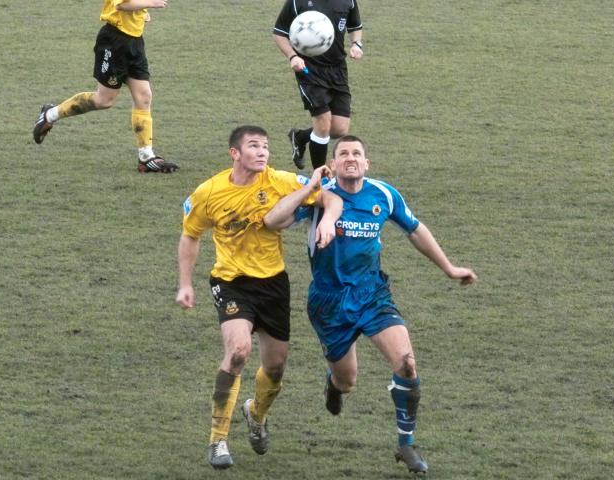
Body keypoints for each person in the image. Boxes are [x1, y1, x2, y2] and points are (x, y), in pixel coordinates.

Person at [264, 135, 477, 475]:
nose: (351, 158)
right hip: (329, 302)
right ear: (333, 164)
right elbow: (273, 221)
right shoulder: (320, 195)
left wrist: (450, 268)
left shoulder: (383, 194)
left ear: (367, 163)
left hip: (372, 294)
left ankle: (405, 444)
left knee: (406, 364)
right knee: (347, 380)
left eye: (357, 153)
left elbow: (416, 230)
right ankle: (334, 385)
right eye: (343, 154)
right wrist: (308, 189)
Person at [176, 125, 342, 470]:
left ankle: (256, 413)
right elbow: (190, 236)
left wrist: (327, 218)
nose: (263, 152)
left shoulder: (279, 181)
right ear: (234, 153)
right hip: (231, 281)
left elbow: (329, 195)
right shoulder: (210, 192)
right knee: (238, 351)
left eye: (265, 146)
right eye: (254, 146)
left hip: (273, 284)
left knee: (276, 367)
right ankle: (218, 439)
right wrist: (185, 283)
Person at [32, 0, 178, 173]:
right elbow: (122, 5)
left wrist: (141, 12)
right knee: (104, 100)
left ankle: (146, 157)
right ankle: (49, 114)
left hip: (134, 42)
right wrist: (152, 3)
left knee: (144, 96)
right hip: (114, 42)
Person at [273, 0, 363, 170]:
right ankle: (319, 179)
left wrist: (357, 44)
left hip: (338, 70)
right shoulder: (296, 1)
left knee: (339, 129)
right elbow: (279, 32)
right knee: (323, 122)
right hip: (309, 69)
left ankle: (300, 137)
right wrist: (292, 56)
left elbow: (355, 26)